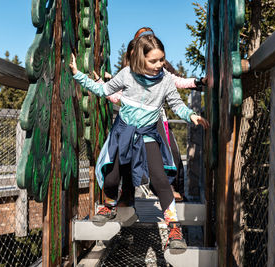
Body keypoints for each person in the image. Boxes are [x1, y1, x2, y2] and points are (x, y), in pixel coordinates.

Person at [70, 34, 209, 250]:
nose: (159, 65)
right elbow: (103, 90)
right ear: (140, 60)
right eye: (153, 61)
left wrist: (191, 115)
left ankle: (174, 228)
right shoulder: (127, 75)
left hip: (147, 135)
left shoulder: (165, 81)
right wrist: (79, 75)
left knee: (161, 181)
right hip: (124, 133)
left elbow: (177, 104)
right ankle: (110, 204)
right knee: (112, 177)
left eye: (161, 59)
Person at [98, 27, 207, 204]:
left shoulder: (161, 72)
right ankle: (127, 197)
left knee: (171, 151)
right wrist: (105, 85)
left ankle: (171, 189)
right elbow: (119, 95)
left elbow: (176, 83)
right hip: (132, 123)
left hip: (154, 120)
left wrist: (197, 82)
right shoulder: (129, 73)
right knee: (126, 159)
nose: (156, 64)